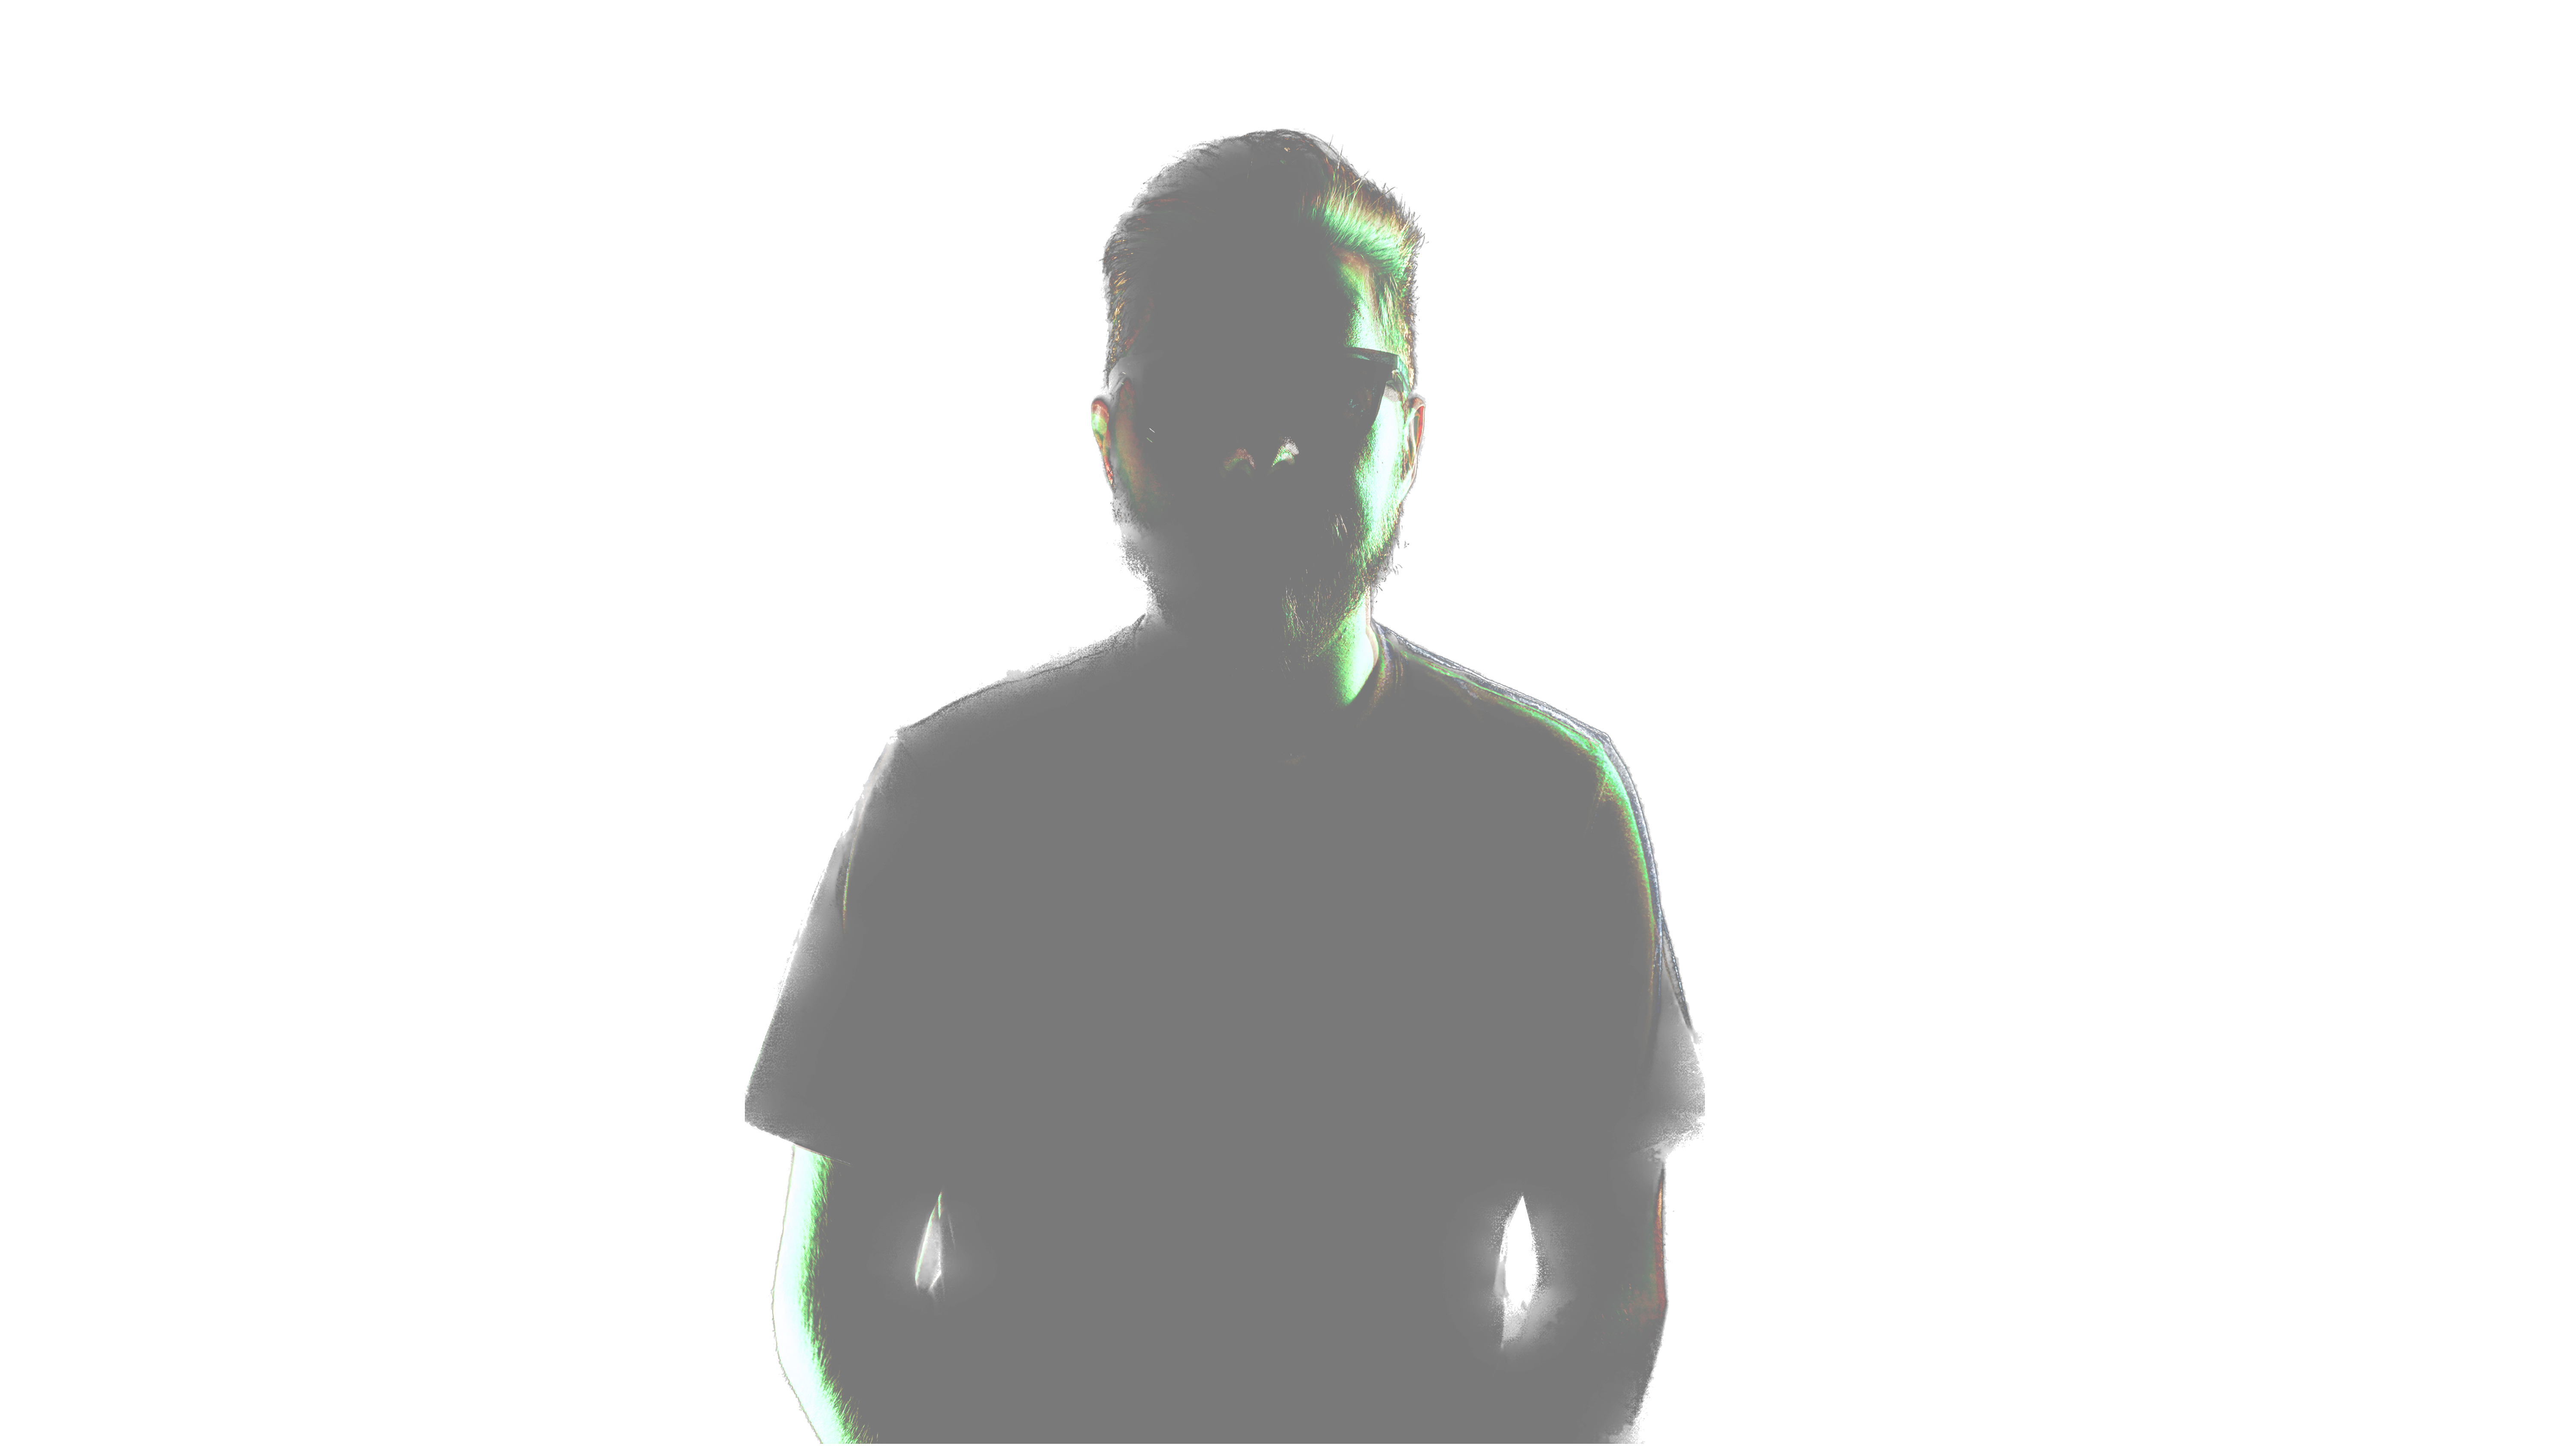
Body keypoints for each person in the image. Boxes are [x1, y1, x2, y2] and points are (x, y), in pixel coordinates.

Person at [747, 137, 1692, 1443]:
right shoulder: (963, 787)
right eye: (1199, 392)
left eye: (1332, 389)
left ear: (1411, 441)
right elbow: (835, 1297)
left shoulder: (1551, 812)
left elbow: (1611, 1285)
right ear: (1110, 438)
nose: (1265, 449)